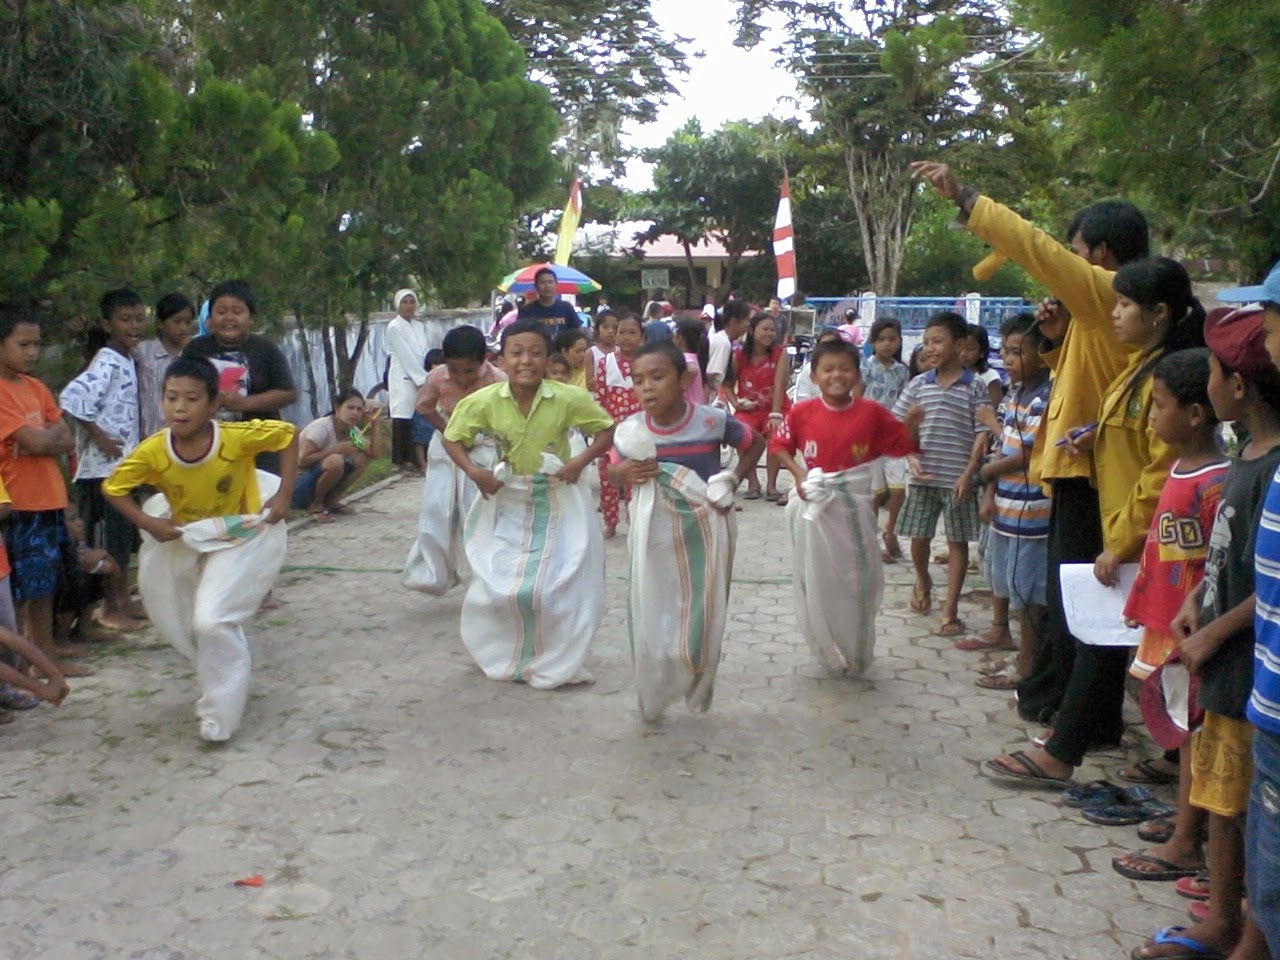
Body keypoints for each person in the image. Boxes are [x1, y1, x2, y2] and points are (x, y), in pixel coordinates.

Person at [912, 160, 1148, 729]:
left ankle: (1080, 719)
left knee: (1081, 607)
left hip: (1092, 474)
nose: (1068, 261)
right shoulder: (1102, 308)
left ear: (1103, 255)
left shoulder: (1108, 290)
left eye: (1078, 251)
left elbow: (1034, 248)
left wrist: (968, 199)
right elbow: (1075, 373)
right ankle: (1055, 695)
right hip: (1072, 467)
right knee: (1067, 604)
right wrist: (1053, 336)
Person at [985, 257, 1205, 786]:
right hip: (1129, 525)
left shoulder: (1168, 372)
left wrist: (1122, 542)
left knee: (1107, 641)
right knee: (1143, 648)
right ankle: (1174, 758)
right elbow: (1132, 431)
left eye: (1125, 305)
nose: (1115, 315)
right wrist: (1094, 434)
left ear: (1159, 313)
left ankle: (1063, 751)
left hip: (1146, 534)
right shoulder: (1141, 363)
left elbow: (1161, 468)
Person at [103, 357, 298, 742]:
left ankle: (218, 717)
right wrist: (150, 524)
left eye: (191, 399)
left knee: (211, 619)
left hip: (239, 534)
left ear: (213, 404)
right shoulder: (154, 451)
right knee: (186, 621)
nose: (179, 407)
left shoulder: (235, 438)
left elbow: (288, 435)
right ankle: (225, 670)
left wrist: (284, 495)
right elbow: (113, 488)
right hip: (186, 537)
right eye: (171, 397)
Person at [441, 320, 615, 689]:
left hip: (556, 499)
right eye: (516, 353)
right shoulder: (484, 401)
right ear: (501, 360)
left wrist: (578, 464)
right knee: (501, 584)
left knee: (556, 584)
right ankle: (503, 653)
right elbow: (453, 438)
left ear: (548, 358)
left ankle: (556, 657)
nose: (526, 361)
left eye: (536, 353)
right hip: (508, 499)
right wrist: (475, 472)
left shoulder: (567, 397)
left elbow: (606, 429)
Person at [607, 340, 764, 720]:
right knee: (653, 601)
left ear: (683, 379)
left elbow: (755, 443)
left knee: (703, 605)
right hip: (654, 534)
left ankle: (695, 671)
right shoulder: (629, 431)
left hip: (704, 532)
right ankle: (657, 680)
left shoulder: (710, 420)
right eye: (638, 379)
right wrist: (621, 473)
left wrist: (732, 479)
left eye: (657, 377)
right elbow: (614, 470)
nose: (646, 387)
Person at [772, 340, 919, 674]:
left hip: (856, 507)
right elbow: (779, 444)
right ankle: (825, 643)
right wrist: (799, 475)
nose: (836, 375)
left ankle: (857, 645)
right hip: (814, 507)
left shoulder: (871, 413)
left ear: (856, 374)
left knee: (857, 577)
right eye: (828, 369)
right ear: (814, 375)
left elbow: (901, 445)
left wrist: (912, 425)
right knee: (818, 577)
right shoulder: (802, 412)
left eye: (845, 369)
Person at [1210, 266, 1280, 960]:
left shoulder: (1271, 467)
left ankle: (1244, 934)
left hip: (1254, 669)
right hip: (1251, 671)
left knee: (1251, 814)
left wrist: (1209, 631)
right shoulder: (1254, 458)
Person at [891, 311, 992, 637]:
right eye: (926, 342)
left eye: (938, 341)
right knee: (918, 538)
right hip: (924, 477)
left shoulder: (974, 387)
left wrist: (968, 474)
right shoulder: (918, 385)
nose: (930, 348)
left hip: (958, 481)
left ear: (960, 344)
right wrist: (909, 451)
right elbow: (897, 427)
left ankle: (950, 610)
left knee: (957, 543)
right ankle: (922, 578)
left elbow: (982, 433)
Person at [0, 305, 87, 678]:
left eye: (37, 344)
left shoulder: (35, 387)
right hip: (20, 502)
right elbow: (36, 439)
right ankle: (24, 666)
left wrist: (42, 441)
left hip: (49, 497)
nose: (33, 352)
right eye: (24, 344)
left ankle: (46, 658)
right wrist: (41, 440)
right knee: (24, 590)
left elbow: (64, 438)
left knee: (46, 583)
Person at [967, 315, 1052, 690]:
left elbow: (1030, 455)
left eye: (1019, 351)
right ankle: (1021, 656)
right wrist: (989, 491)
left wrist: (986, 474)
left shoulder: (1045, 398)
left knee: (1031, 593)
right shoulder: (1015, 395)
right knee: (1012, 582)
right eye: (1007, 351)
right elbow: (1002, 446)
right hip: (1007, 506)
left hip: (1033, 511)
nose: (1011, 358)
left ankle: (1028, 667)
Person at [58, 288, 148, 632]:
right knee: (109, 540)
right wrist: (97, 435)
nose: (134, 326)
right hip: (103, 471)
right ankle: (110, 607)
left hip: (123, 467)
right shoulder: (107, 359)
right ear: (107, 323)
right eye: (126, 319)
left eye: (139, 318)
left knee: (123, 539)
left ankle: (122, 600)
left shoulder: (127, 359)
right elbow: (72, 398)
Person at [403, 324, 505, 596]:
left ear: (484, 361)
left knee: (477, 510)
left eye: (469, 371)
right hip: (447, 446)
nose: (460, 378)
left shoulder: (497, 380)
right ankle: (432, 570)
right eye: (454, 370)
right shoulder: (437, 378)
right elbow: (424, 407)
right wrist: (448, 429)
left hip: (483, 446)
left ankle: (481, 574)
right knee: (439, 507)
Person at [182, 279, 297, 475]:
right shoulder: (196, 349)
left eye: (237, 312)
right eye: (221, 311)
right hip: (208, 446)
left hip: (260, 450)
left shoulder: (266, 349)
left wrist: (242, 404)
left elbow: (288, 394)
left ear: (251, 317)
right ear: (210, 318)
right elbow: (181, 388)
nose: (229, 318)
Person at [726, 311, 791, 502]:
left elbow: (780, 385)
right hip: (749, 409)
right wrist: (735, 403)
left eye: (773, 330)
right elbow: (727, 385)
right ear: (752, 331)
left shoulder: (780, 353)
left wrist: (776, 414)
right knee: (742, 434)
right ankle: (753, 483)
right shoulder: (738, 356)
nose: (770, 334)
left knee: (775, 438)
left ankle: (772, 485)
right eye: (765, 329)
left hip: (776, 407)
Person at [290, 388, 382, 522]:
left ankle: (332, 501)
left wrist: (375, 425)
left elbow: (374, 454)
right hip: (298, 486)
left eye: (359, 409)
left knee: (361, 458)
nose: (355, 413)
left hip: (317, 480)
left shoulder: (352, 432)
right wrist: (336, 450)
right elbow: (302, 460)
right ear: (337, 408)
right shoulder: (322, 428)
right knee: (335, 461)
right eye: (350, 408)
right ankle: (315, 505)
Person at [861, 317, 911, 562]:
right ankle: (870, 539)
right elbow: (856, 399)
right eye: (882, 339)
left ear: (900, 341)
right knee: (875, 492)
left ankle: (890, 532)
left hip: (893, 436)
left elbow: (904, 400)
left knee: (898, 488)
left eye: (892, 339)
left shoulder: (902, 371)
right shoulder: (865, 368)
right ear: (873, 342)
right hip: (870, 437)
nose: (887, 344)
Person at [595, 313, 644, 538]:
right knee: (608, 478)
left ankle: (636, 521)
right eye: (621, 332)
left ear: (642, 336)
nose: (626, 337)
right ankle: (610, 522)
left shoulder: (646, 362)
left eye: (632, 333)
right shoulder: (605, 363)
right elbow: (601, 396)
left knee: (637, 477)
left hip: (641, 431)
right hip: (612, 430)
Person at [137, 292, 196, 438]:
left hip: (182, 440)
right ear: (160, 322)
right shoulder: (142, 352)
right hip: (148, 437)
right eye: (177, 321)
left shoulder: (193, 356)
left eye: (187, 322)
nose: (183, 327)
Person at [383, 288, 429, 471]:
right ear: (398, 305)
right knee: (402, 415)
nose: (409, 306)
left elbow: (423, 351)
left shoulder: (419, 326)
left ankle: (417, 458)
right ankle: (400, 460)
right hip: (402, 374)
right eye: (405, 302)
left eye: (412, 302)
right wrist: (421, 379)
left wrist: (427, 373)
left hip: (420, 373)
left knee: (417, 415)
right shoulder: (394, 326)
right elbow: (405, 354)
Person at [409, 349, 446, 475]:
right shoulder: (425, 379)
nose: (438, 367)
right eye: (435, 363)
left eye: (441, 363)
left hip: (439, 412)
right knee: (420, 438)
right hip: (424, 412)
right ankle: (423, 465)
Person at [516, 266, 582, 335]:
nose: (547, 286)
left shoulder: (566, 308)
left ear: (556, 284)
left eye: (550, 282)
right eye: (542, 282)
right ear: (536, 286)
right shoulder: (526, 310)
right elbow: (520, 334)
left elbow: (576, 332)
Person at [706, 300, 750, 394]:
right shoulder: (723, 343)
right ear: (734, 321)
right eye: (746, 319)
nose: (748, 324)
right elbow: (710, 377)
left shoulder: (721, 339)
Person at [793, 328, 843, 404]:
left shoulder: (847, 371)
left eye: (833, 345)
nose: (828, 349)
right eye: (824, 346)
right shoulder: (808, 370)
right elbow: (802, 401)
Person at [961, 322, 1004, 406]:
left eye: (969, 349)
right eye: (959, 347)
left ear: (982, 352)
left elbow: (997, 406)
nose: (963, 353)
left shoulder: (989, 376)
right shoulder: (954, 375)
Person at [675, 320, 710, 407]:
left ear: (680, 338)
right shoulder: (697, 357)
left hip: (689, 411)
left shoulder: (685, 358)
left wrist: (678, 386)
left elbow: (692, 369)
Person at [589, 310, 618, 375]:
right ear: (597, 329)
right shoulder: (591, 353)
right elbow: (589, 380)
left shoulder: (620, 351)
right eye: (605, 327)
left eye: (615, 328)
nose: (610, 331)